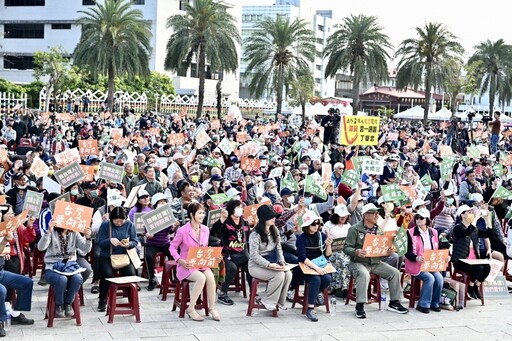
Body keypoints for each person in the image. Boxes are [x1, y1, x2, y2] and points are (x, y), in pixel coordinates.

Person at [344, 203, 409, 319]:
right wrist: (356, 251)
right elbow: (346, 248)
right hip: (358, 262)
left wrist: (387, 252)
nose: (376, 215)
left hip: (375, 262)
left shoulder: (379, 230)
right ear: (365, 215)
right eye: (373, 213)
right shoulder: (354, 229)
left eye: (377, 213)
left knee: (394, 273)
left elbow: (381, 248)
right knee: (364, 274)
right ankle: (360, 305)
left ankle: (394, 302)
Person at [169, 202, 220, 321]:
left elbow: (205, 247)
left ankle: (212, 307)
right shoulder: (182, 231)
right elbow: (172, 247)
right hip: (187, 265)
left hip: (201, 263)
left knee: (210, 276)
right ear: (192, 215)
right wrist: (179, 260)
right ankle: (191, 308)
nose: (202, 215)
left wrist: (213, 257)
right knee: (201, 278)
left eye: (203, 213)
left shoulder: (206, 229)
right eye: (199, 213)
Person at [37, 218, 92, 318]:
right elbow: (41, 247)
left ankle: (68, 303)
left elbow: (85, 249)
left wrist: (88, 238)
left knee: (78, 278)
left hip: (70, 267)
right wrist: (48, 231)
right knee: (62, 280)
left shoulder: (74, 232)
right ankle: (59, 305)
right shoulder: (52, 232)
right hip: (53, 267)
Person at [248, 205, 292, 312]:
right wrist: (268, 265)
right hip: (256, 265)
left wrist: (282, 261)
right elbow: (254, 255)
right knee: (279, 275)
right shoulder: (255, 234)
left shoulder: (274, 230)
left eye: (274, 216)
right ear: (263, 218)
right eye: (270, 217)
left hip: (272, 261)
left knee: (288, 273)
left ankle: (280, 302)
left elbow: (279, 247)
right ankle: (268, 300)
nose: (273, 219)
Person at [96, 206, 138, 312]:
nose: (119, 223)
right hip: (107, 256)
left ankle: (131, 299)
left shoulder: (129, 225)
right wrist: (110, 240)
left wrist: (129, 244)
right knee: (107, 274)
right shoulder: (106, 225)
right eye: (116, 221)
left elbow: (135, 241)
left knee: (131, 274)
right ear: (111, 219)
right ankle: (102, 300)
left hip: (124, 256)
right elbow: (100, 243)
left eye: (121, 221)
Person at [404, 208, 445, 313]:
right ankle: (423, 304)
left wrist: (445, 256)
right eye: (417, 217)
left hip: (430, 264)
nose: (418, 220)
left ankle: (434, 303)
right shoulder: (410, 232)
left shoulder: (434, 232)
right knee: (429, 278)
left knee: (439, 278)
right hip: (416, 264)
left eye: (421, 218)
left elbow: (439, 248)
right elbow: (406, 252)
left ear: (427, 220)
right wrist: (416, 258)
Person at [211, 199, 251, 305]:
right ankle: (223, 293)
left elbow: (248, 237)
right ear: (231, 209)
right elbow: (214, 231)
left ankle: (253, 293)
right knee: (232, 268)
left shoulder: (244, 221)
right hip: (226, 253)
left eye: (241, 207)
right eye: (238, 207)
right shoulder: (226, 222)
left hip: (241, 253)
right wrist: (222, 219)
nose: (240, 209)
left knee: (250, 267)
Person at [296, 210, 333, 322]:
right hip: (305, 266)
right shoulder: (301, 238)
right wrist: (316, 269)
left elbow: (327, 255)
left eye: (318, 223)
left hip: (320, 264)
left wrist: (329, 245)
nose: (316, 226)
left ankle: (316, 293)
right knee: (316, 279)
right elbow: (302, 257)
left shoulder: (321, 235)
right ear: (307, 225)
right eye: (313, 223)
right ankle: (310, 308)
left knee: (327, 278)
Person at [451, 205, 491, 300]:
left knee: (487, 267)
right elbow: (467, 232)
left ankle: (475, 285)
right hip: (460, 261)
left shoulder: (475, 229)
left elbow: (488, 234)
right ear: (462, 215)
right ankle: (470, 286)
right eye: (469, 212)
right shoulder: (458, 228)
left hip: (474, 260)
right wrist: (476, 218)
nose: (471, 214)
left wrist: (488, 219)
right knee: (479, 268)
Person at [144, 193, 174, 291]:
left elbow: (170, 231)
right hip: (152, 244)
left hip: (165, 243)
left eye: (164, 202)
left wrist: (175, 227)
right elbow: (146, 231)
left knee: (174, 253)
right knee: (148, 256)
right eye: (160, 202)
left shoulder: (167, 215)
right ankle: (151, 278)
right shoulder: (149, 216)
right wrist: (148, 234)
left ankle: (176, 276)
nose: (162, 204)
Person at [324, 204, 352, 298]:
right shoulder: (328, 225)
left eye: (345, 215)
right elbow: (324, 241)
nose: (343, 217)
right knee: (342, 261)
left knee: (352, 260)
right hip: (332, 252)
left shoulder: (348, 225)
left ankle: (351, 286)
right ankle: (340, 288)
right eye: (341, 215)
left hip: (345, 250)